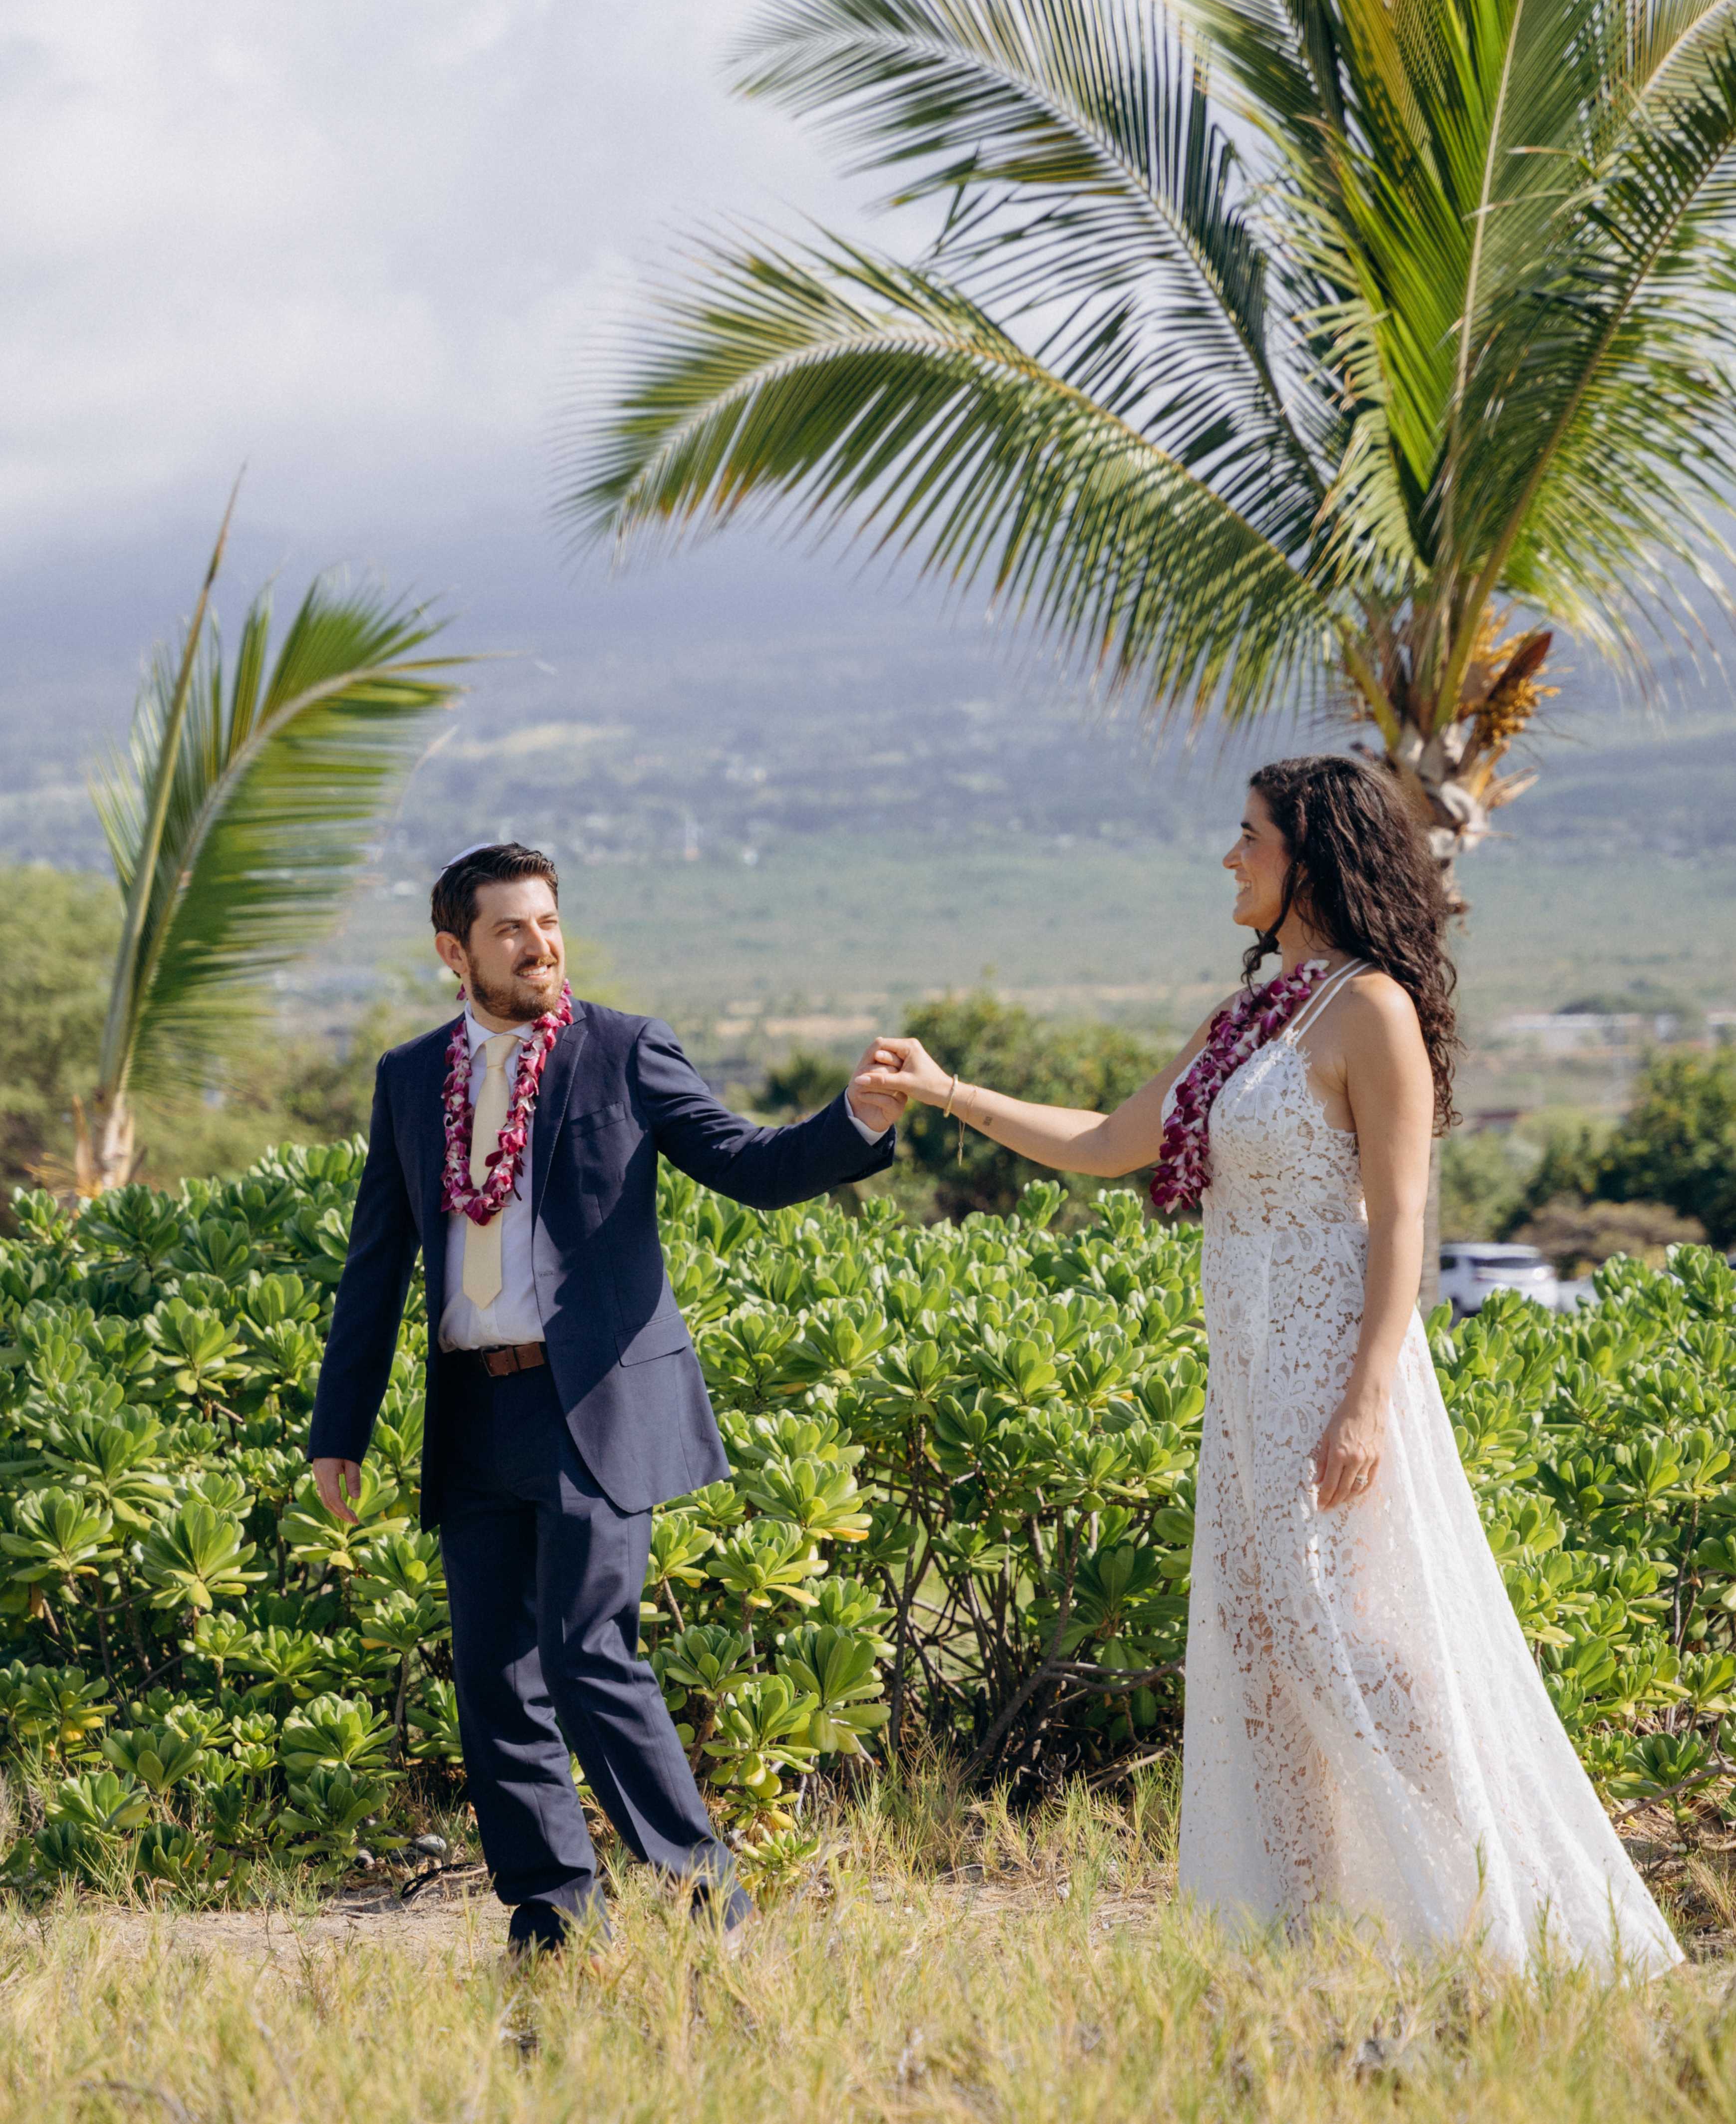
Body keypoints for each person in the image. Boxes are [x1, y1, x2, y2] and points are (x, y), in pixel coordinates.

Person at [865, 756, 1681, 1974]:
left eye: (1248, 835)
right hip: (1247, 1378)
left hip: (1331, 1373)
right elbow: (1106, 1142)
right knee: (1253, 1646)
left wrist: (1368, 1399)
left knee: (1346, 1637)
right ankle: (1301, 1933)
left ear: (1311, 855)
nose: (1230, 855)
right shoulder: (1251, 1014)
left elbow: (1405, 1220)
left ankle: (1485, 1882)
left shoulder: (1374, 1012)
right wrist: (944, 1092)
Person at [308, 840, 900, 1955]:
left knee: (586, 1648)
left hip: (592, 1405)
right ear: (455, 950)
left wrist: (856, 1119)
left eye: (548, 921)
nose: (540, 944)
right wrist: (339, 1427)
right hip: (472, 1409)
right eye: (509, 929)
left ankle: (702, 1889)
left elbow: (750, 1161)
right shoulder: (406, 1077)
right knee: (494, 1672)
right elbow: (374, 1264)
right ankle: (553, 1909)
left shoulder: (623, 1049)